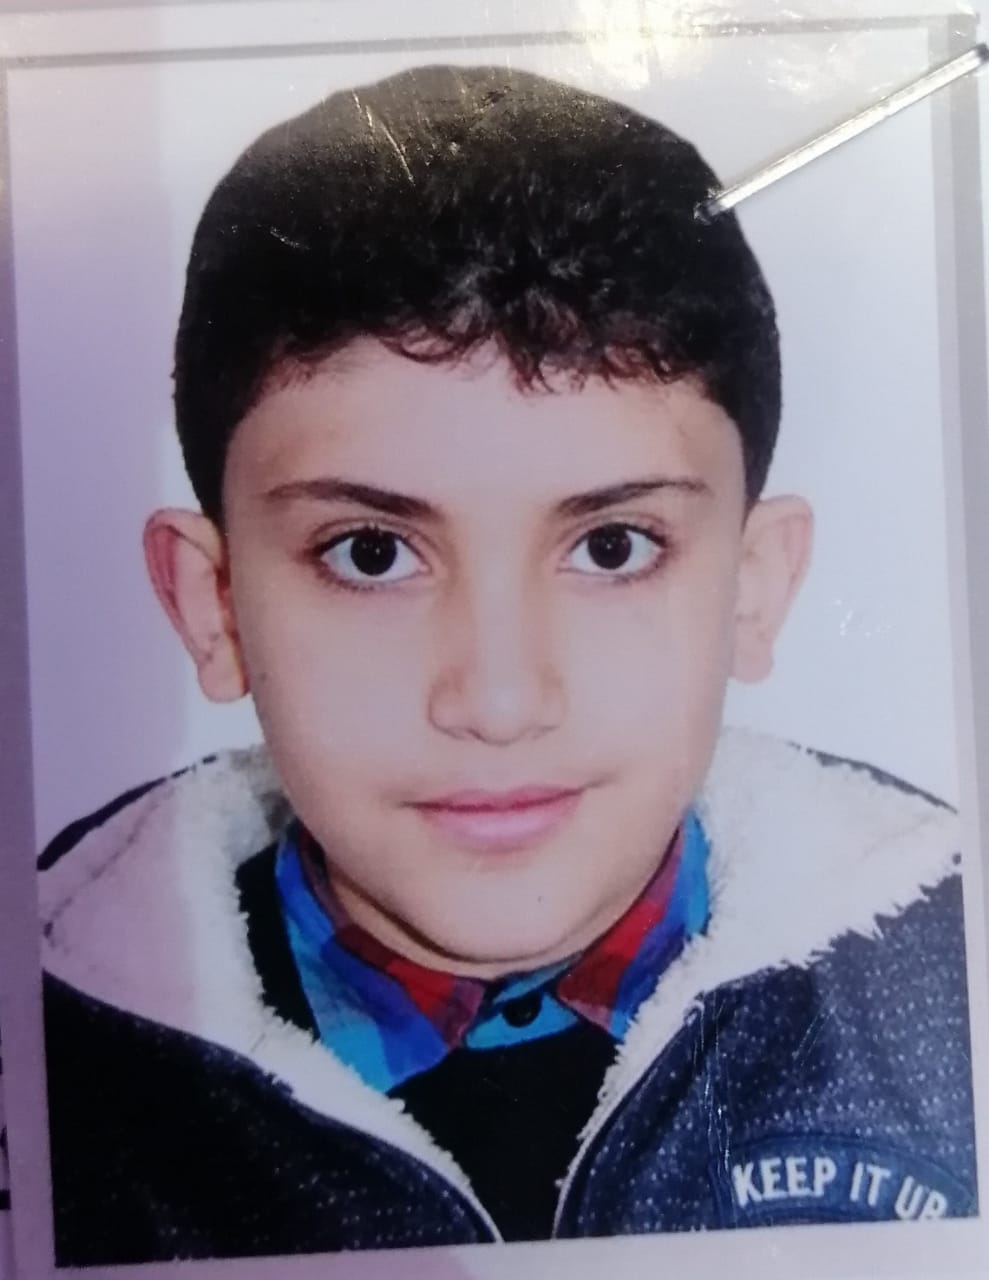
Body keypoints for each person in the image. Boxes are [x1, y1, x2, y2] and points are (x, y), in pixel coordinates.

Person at [38, 64, 976, 1265]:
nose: (496, 699)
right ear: (214, 607)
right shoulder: (49, 1063)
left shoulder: (947, 984)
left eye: (611, 545)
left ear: (752, 586)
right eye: (371, 552)